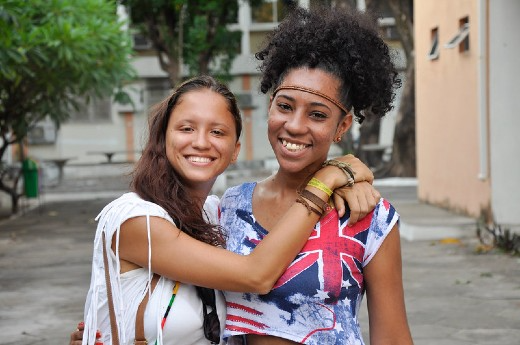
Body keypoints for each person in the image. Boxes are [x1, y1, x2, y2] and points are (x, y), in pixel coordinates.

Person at [75, 75, 378, 345]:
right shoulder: (134, 220)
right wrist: (325, 180)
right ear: (163, 135)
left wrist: (349, 182)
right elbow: (256, 275)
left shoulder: (218, 213)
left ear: (235, 150)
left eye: (218, 132)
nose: (201, 142)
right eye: (186, 128)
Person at [219, 6, 413, 345]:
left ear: (342, 126)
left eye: (318, 114)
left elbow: (393, 337)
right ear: (270, 106)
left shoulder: (368, 216)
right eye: (285, 106)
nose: (294, 125)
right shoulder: (231, 207)